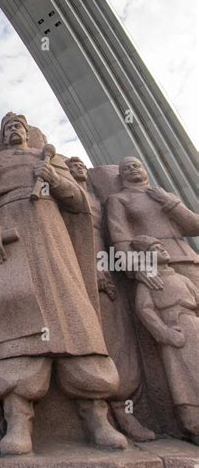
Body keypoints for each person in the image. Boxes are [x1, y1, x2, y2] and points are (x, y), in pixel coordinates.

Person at [0, 113, 126, 455]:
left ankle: (96, 417)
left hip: (54, 237)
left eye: (19, 125)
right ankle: (19, 419)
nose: (14, 130)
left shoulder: (49, 159)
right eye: (8, 126)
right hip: (13, 239)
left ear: (28, 132)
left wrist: (54, 178)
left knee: (74, 319)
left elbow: (77, 201)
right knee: (17, 324)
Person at [66, 157, 155, 442]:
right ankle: (97, 414)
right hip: (78, 272)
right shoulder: (64, 198)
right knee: (91, 340)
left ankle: (124, 410)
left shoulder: (101, 200)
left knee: (119, 340)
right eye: (71, 166)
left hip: (109, 269)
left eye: (80, 164)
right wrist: (92, 266)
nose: (78, 167)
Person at [131, 235, 199, 444]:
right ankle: (193, 425)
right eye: (155, 248)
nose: (162, 250)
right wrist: (164, 333)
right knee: (182, 379)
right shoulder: (150, 281)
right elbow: (145, 310)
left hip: (194, 325)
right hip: (174, 331)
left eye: (162, 246)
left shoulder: (184, 279)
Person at [106, 157, 199, 289]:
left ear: (145, 170)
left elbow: (195, 227)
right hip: (155, 264)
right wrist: (136, 266)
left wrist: (168, 202)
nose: (132, 168)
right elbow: (120, 237)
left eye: (136, 165)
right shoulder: (118, 199)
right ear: (121, 176)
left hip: (189, 259)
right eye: (126, 168)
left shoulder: (168, 196)